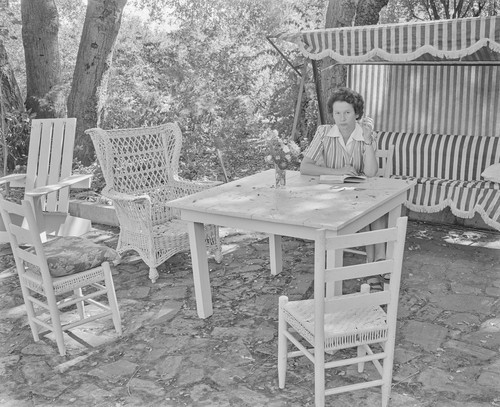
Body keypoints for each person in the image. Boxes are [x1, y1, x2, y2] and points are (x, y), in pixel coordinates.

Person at [300, 88, 388, 283]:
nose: (342, 118)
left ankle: (376, 262)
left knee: (376, 206)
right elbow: (305, 167)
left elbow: (372, 172)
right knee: (373, 210)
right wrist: (337, 171)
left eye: (347, 112)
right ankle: (376, 265)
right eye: (337, 113)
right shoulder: (324, 132)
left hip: (359, 191)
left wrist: (367, 142)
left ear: (357, 114)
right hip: (332, 193)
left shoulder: (366, 133)